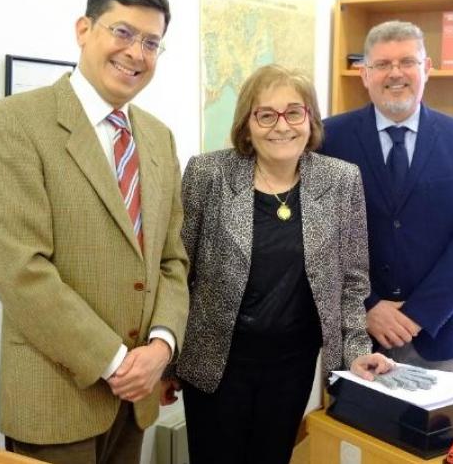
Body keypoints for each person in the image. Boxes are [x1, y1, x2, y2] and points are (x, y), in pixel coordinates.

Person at [0, 0, 188, 464]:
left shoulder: (158, 138)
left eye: (151, 42)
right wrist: (116, 363)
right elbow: (21, 270)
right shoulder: (16, 123)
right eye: (122, 32)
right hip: (56, 399)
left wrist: (161, 347)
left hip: (136, 400)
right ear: (83, 29)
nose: (136, 53)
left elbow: (172, 259)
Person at [165, 64, 393, 464]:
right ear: (247, 125)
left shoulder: (341, 180)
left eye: (293, 112)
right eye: (265, 114)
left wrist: (355, 349)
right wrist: (166, 360)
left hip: (292, 365)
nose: (281, 126)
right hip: (217, 364)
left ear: (310, 119)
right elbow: (178, 270)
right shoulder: (208, 173)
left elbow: (353, 280)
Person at [320, 20, 453, 373]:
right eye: (382, 64)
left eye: (407, 62)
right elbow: (321, 235)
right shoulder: (329, 139)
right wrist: (367, 307)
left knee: (442, 429)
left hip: (441, 335)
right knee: (355, 428)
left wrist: (418, 315)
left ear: (427, 69)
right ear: (364, 74)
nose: (395, 73)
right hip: (357, 335)